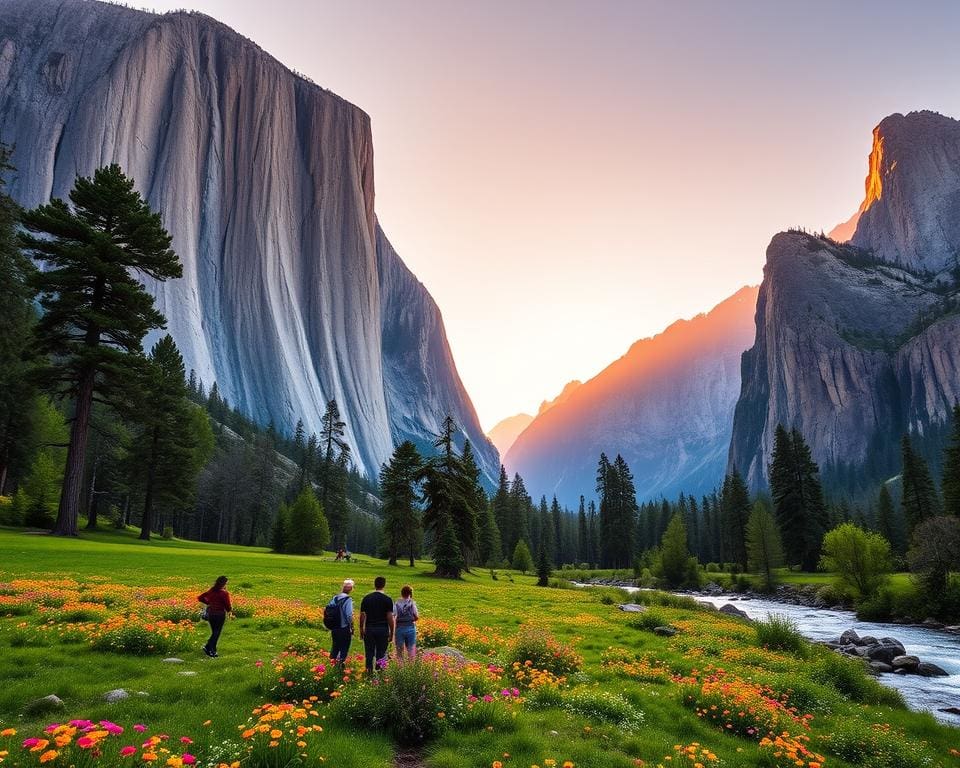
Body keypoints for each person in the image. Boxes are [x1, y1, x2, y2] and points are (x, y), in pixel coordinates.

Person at [359, 576, 394, 673]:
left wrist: (361, 629)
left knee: (369, 652)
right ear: (384, 585)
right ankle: (380, 672)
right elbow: (390, 617)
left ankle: (368, 671)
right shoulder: (387, 599)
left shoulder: (367, 598)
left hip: (369, 628)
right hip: (382, 629)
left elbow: (362, 615)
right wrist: (392, 632)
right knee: (381, 652)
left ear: (374, 584)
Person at [197, 575, 232, 657]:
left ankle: (212, 649)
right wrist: (230, 610)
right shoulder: (224, 593)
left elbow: (200, 597)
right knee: (216, 632)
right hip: (219, 614)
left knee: (214, 632)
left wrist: (208, 603)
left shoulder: (211, 591)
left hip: (211, 614)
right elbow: (227, 605)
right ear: (224, 583)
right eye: (226, 583)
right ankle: (208, 648)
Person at [328, 578, 354, 663]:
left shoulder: (335, 598)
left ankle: (331, 663)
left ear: (342, 587)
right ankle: (340, 665)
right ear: (351, 589)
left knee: (335, 646)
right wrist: (351, 626)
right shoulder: (348, 599)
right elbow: (349, 615)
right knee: (344, 647)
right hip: (343, 627)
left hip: (334, 627)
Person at [393, 584, 419, 660]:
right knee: (411, 650)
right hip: (410, 628)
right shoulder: (412, 603)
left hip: (399, 628)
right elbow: (416, 617)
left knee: (399, 651)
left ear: (402, 593)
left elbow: (394, 615)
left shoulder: (397, 603)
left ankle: (400, 667)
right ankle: (410, 667)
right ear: (410, 593)